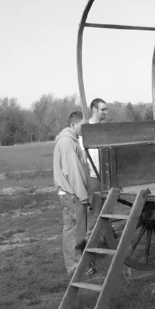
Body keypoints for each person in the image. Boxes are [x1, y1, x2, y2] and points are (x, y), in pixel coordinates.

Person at [54, 111, 91, 276]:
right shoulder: (67, 142)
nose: (84, 128)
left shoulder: (72, 140)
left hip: (73, 192)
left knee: (78, 230)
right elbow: (73, 171)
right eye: (82, 125)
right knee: (73, 230)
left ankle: (80, 263)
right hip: (71, 193)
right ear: (73, 124)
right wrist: (83, 195)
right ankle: (74, 268)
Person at [82, 98, 107, 237]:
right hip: (94, 176)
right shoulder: (86, 130)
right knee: (95, 211)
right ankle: (89, 240)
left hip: (107, 175)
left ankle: (105, 236)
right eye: (103, 109)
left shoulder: (105, 128)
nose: (105, 112)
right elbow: (83, 158)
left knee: (107, 208)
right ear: (94, 109)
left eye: (106, 109)